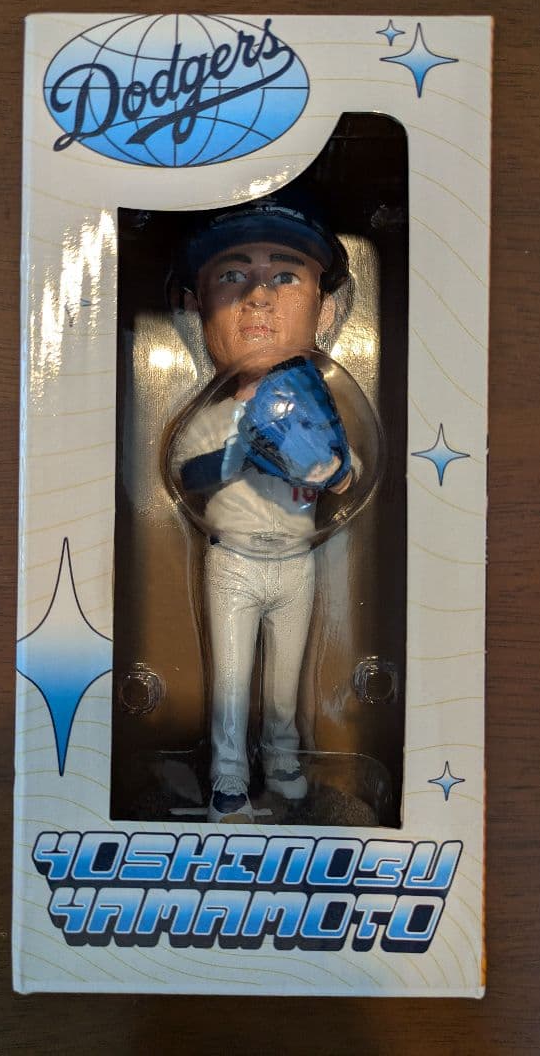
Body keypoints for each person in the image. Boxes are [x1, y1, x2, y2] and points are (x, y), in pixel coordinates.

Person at [171, 189, 356, 823]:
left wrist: (328, 466)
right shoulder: (216, 414)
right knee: (230, 681)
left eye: (284, 277)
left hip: (297, 561)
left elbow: (347, 474)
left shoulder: (317, 409)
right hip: (234, 562)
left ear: (325, 310)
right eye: (232, 276)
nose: (258, 297)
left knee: (284, 681)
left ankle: (282, 758)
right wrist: (242, 451)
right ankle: (228, 777)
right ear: (195, 308)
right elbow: (185, 472)